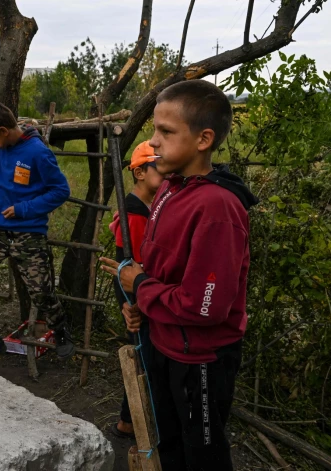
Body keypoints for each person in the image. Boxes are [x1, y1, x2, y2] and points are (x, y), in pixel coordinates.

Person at [101, 80, 259, 471]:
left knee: (202, 455)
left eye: (166, 132)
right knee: (169, 442)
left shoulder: (217, 208)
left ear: (204, 139)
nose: (153, 142)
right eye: (154, 130)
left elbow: (205, 308)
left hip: (200, 359)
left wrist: (139, 285)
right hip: (165, 344)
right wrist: (140, 304)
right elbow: (159, 270)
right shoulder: (171, 189)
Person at [0, 100, 74, 363]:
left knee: (41, 292)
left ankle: (60, 330)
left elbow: (61, 191)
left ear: (3, 130)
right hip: (0, 232)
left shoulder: (37, 153)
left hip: (28, 232)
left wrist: (24, 208)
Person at [108, 140, 163, 439]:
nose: (165, 174)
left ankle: (129, 421)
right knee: (145, 361)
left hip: (143, 297)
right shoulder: (134, 215)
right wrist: (129, 304)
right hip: (139, 301)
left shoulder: (146, 208)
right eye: (159, 168)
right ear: (140, 173)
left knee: (147, 360)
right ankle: (129, 422)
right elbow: (125, 266)